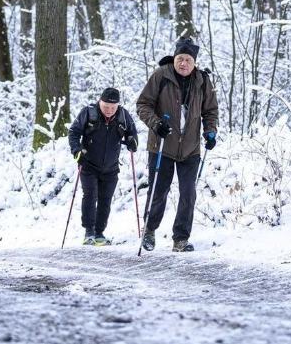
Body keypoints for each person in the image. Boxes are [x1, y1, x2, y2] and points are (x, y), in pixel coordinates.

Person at [136, 38, 219, 252]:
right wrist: (156, 124)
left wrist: (210, 131)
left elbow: (210, 110)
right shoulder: (160, 76)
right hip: (162, 144)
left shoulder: (202, 80)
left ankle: (180, 238)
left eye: (188, 60)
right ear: (174, 58)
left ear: (194, 63)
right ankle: (149, 230)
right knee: (159, 190)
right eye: (180, 58)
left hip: (190, 147)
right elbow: (143, 104)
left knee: (188, 193)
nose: (183, 63)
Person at [68, 88, 138, 246]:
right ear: (100, 102)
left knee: (105, 200)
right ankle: (89, 232)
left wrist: (132, 141)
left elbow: (132, 133)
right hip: (88, 164)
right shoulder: (88, 113)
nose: (109, 111)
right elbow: (73, 132)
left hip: (111, 167)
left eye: (113, 108)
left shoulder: (123, 116)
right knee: (90, 195)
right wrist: (76, 149)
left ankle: (99, 233)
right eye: (106, 107)